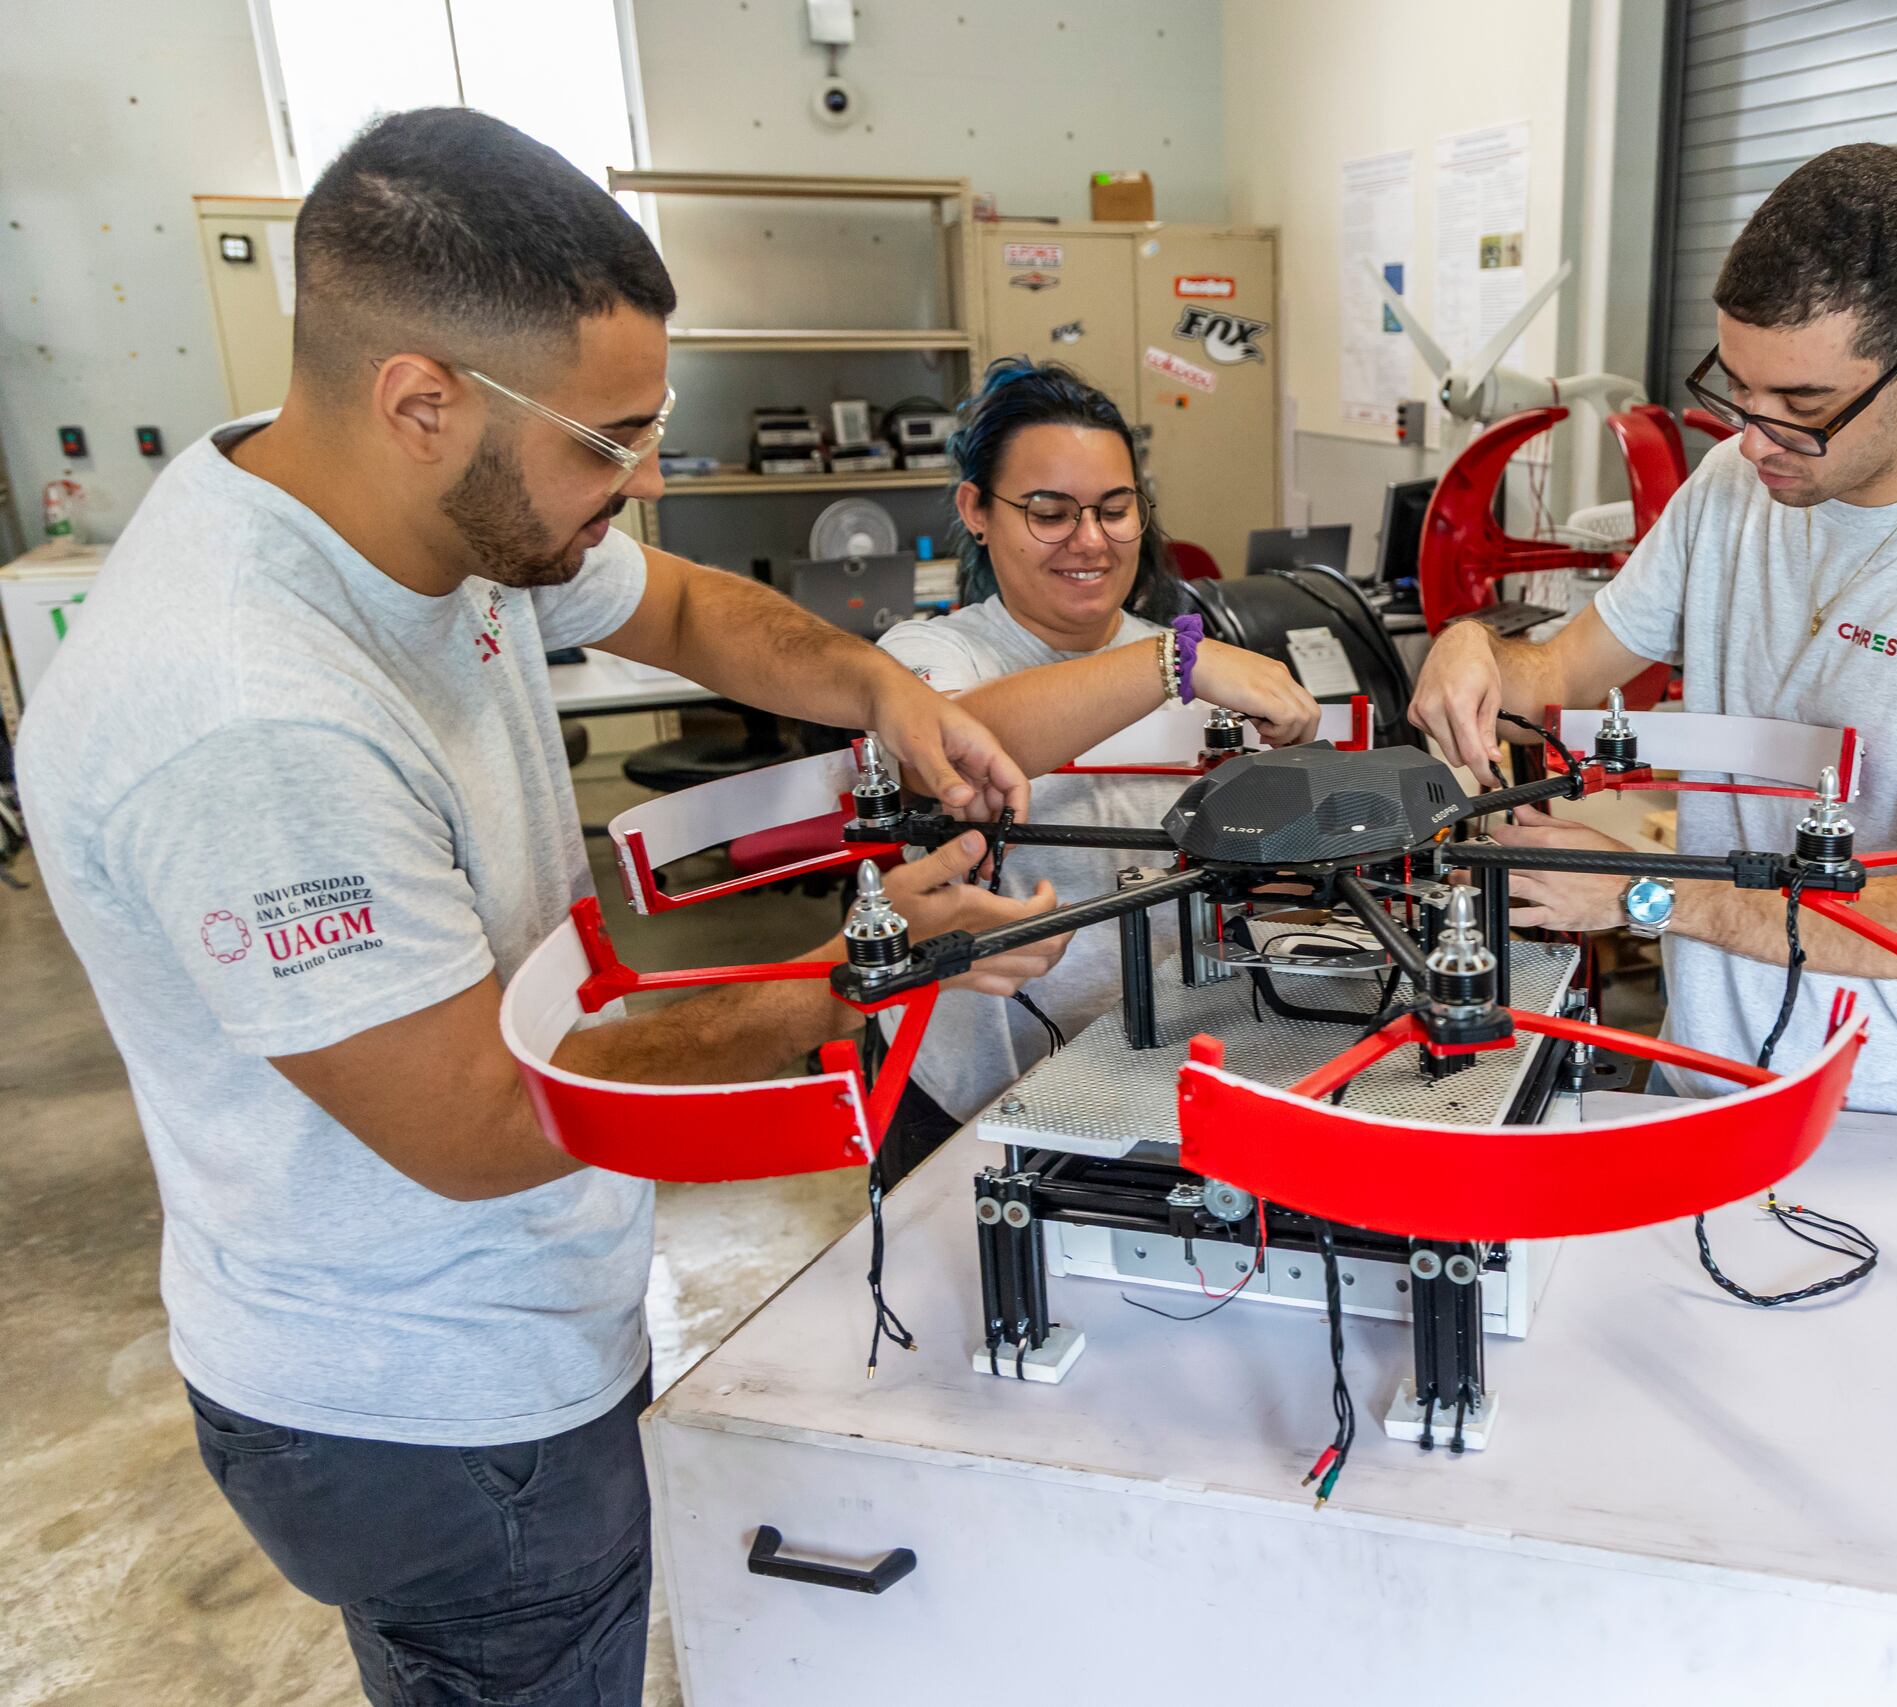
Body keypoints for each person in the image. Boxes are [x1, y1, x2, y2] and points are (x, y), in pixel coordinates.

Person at [15, 109, 1062, 1706]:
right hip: (429, 1408)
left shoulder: (414, 503)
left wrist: (876, 688)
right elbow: (487, 1113)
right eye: (607, 440)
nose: (635, 483)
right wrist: (863, 969)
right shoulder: (251, 711)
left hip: (509, 1318)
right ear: (421, 400)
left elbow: (691, 602)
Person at [1410, 143, 1897, 1120]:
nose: (1751, 438)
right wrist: (1470, 646)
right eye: (1736, 388)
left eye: (1800, 408)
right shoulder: (1731, 491)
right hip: (1694, 1079)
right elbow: (1563, 675)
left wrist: (1642, 895)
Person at [870, 357, 1323, 1180]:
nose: (1090, 540)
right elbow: (957, 747)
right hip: (971, 1094)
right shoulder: (929, 652)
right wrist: (1176, 657)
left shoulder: (1187, 666)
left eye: (1116, 510)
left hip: (1153, 1073)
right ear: (975, 509)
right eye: (1049, 512)